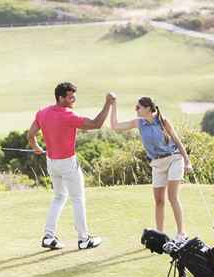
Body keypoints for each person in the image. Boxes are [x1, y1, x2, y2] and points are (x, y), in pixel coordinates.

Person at [27, 82, 111, 250]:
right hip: (67, 163)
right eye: (70, 97)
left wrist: (35, 147)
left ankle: (49, 237)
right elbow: (96, 124)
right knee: (78, 199)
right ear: (61, 98)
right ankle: (84, 239)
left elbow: (31, 135)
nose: (74, 99)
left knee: (59, 197)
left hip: (51, 162)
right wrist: (108, 103)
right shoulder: (68, 115)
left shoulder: (42, 112)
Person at [109, 95, 193, 241]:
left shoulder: (163, 121)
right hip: (157, 163)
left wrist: (187, 161)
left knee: (172, 197)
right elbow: (115, 126)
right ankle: (160, 235)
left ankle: (181, 233)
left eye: (138, 107)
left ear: (148, 108)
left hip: (174, 159)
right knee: (159, 200)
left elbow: (177, 141)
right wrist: (113, 104)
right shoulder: (139, 123)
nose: (135, 109)